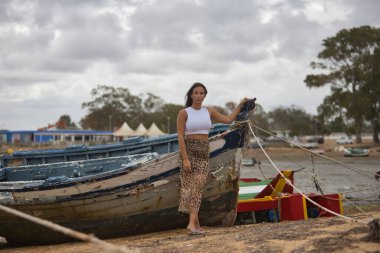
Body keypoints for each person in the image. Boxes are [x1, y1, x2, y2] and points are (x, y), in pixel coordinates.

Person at [176, 82, 249, 235]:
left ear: (204, 95)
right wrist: (185, 159)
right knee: (191, 187)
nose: (198, 95)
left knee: (198, 185)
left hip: (203, 150)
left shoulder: (208, 111)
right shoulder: (184, 113)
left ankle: (191, 223)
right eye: (195, 93)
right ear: (191, 95)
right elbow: (181, 137)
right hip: (189, 151)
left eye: (201, 93)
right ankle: (194, 224)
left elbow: (228, 120)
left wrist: (240, 105)